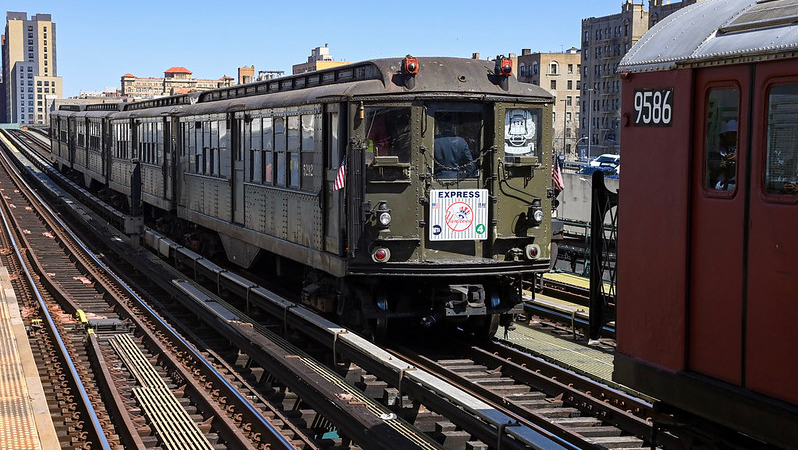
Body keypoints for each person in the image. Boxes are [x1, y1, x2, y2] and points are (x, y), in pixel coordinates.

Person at [714, 119, 737, 190]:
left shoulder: (744, 147)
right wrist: (721, 164)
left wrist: (738, 158)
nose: (731, 136)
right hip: (722, 181)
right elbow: (710, 162)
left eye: (734, 134)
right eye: (729, 134)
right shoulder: (720, 148)